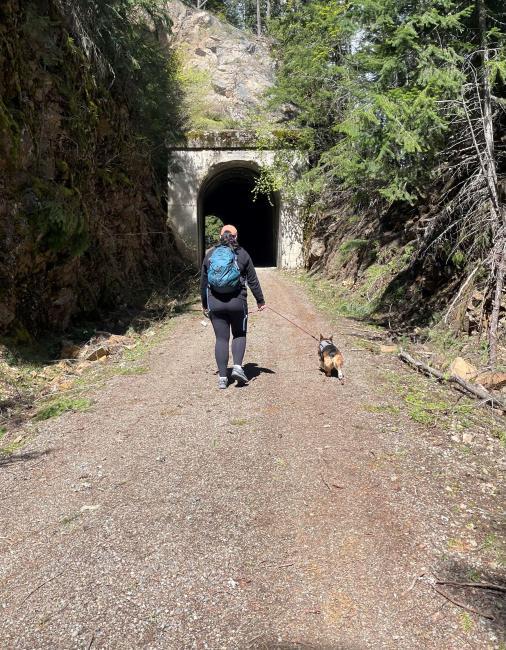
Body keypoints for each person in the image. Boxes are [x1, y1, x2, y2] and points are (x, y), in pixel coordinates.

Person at [201, 224, 266, 389]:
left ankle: (223, 378)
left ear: (220, 236)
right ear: (236, 237)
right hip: (237, 302)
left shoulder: (210, 254)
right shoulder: (242, 254)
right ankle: (237, 367)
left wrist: (204, 304)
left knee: (221, 339)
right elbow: (252, 280)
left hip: (215, 302)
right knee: (239, 333)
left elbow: (203, 283)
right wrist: (260, 300)